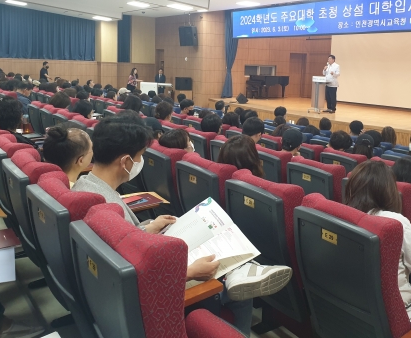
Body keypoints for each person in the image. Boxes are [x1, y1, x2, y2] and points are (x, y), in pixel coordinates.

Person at [73, 115, 290, 336]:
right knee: (240, 296)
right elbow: (132, 273)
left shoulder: (86, 186)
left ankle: (240, 270)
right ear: (125, 162)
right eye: (141, 156)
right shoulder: (101, 201)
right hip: (155, 290)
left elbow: (120, 240)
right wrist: (189, 272)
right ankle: (238, 277)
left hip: (132, 276)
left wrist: (149, 228)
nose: (141, 162)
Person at [344, 161, 411, 322]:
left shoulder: (344, 215)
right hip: (401, 317)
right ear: (389, 191)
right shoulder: (396, 222)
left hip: (361, 312)